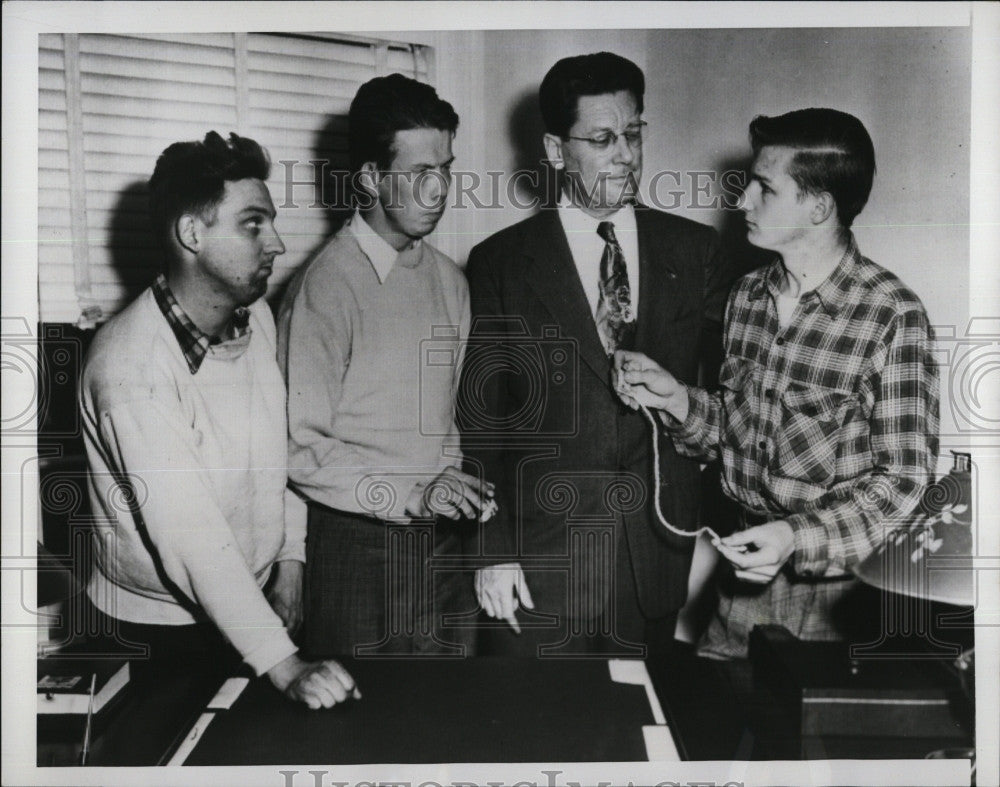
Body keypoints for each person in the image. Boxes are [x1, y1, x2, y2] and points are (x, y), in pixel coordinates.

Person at [615, 108, 939, 659]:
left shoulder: (892, 314)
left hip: (838, 599)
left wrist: (794, 537)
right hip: (740, 582)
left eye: (764, 188)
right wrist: (674, 398)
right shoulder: (746, 297)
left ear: (818, 206)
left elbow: (905, 484)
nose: (742, 201)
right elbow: (735, 427)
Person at [463, 52, 734, 656]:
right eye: (604, 138)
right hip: (538, 565)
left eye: (634, 134)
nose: (626, 155)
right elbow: (482, 422)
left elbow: (729, 399)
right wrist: (493, 550)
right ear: (557, 151)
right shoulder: (501, 262)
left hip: (654, 559)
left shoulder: (695, 251)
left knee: (643, 737)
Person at [79, 131, 359, 707]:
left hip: (247, 607)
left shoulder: (253, 316)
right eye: (253, 224)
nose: (277, 244)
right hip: (157, 634)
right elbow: (192, 540)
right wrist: (283, 664)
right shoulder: (131, 369)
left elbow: (282, 449)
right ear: (192, 234)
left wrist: (291, 560)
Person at [277, 74, 491, 657]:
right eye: (421, 174)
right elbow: (300, 448)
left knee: (449, 724)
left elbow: (446, 422)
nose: (440, 189)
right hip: (357, 546)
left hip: (445, 544)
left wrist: (448, 492)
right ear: (370, 177)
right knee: (363, 733)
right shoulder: (323, 287)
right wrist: (408, 495)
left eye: (446, 169)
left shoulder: (450, 280)